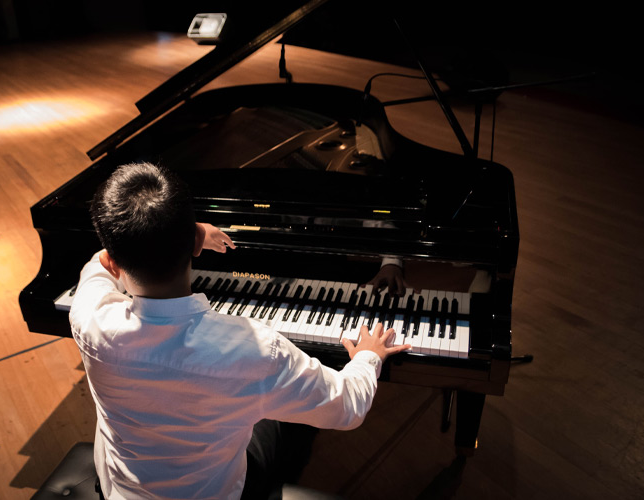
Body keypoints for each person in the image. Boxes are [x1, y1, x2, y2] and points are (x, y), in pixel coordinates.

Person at [69, 162, 411, 500]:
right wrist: (368, 356)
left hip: (118, 491)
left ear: (115, 261)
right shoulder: (256, 349)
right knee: (282, 420)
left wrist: (181, 233)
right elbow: (348, 408)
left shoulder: (90, 318)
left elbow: (97, 267)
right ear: (194, 244)